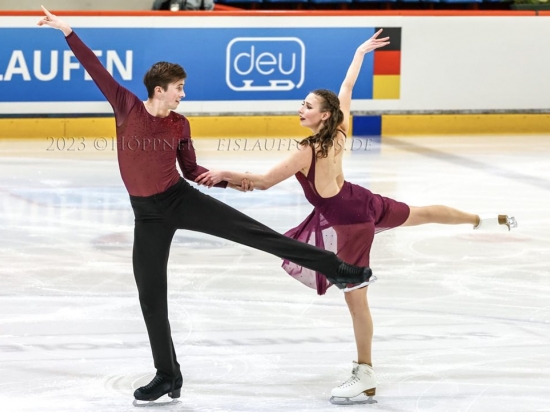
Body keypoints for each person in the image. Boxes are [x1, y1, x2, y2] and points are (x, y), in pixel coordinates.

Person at [37, 6, 375, 406]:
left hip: (180, 200)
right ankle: (168, 376)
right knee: (150, 295)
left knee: (258, 235)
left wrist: (236, 181)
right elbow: (96, 68)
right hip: (146, 215)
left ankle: (339, 269)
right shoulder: (126, 105)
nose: (184, 93)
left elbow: (193, 170)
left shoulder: (180, 125)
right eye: (179, 87)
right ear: (159, 89)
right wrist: (68, 31)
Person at [195, 29, 518, 405]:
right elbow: (347, 86)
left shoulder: (308, 148)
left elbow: (264, 182)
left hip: (351, 225)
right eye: (302, 104)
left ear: (323, 115)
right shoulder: (340, 131)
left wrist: (223, 175)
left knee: (356, 298)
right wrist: (360, 53)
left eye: (307, 105)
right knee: (424, 212)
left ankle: (364, 374)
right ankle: (481, 219)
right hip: (364, 202)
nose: (301, 109)